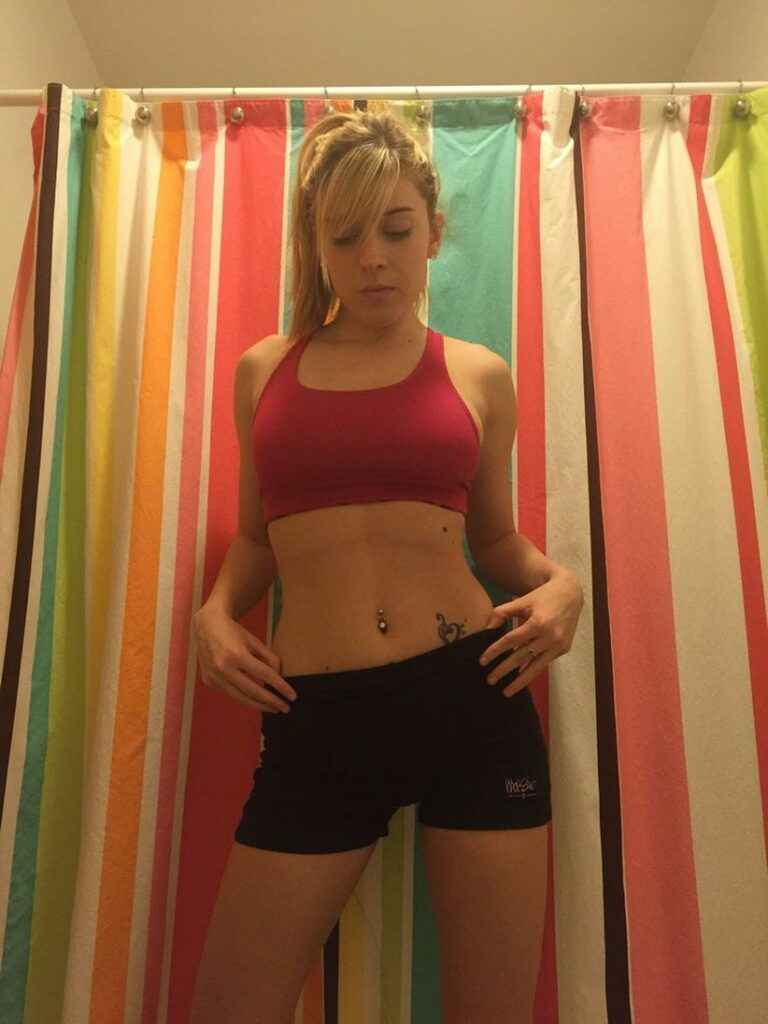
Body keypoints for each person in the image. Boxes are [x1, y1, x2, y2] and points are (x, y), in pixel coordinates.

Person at [190, 109, 574, 1024]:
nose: (373, 259)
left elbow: (495, 544)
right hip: (319, 719)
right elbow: (258, 540)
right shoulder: (264, 372)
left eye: (396, 231)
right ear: (316, 247)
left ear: (433, 233)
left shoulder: (478, 374)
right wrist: (213, 615)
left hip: (472, 696)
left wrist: (564, 587)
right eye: (347, 236)